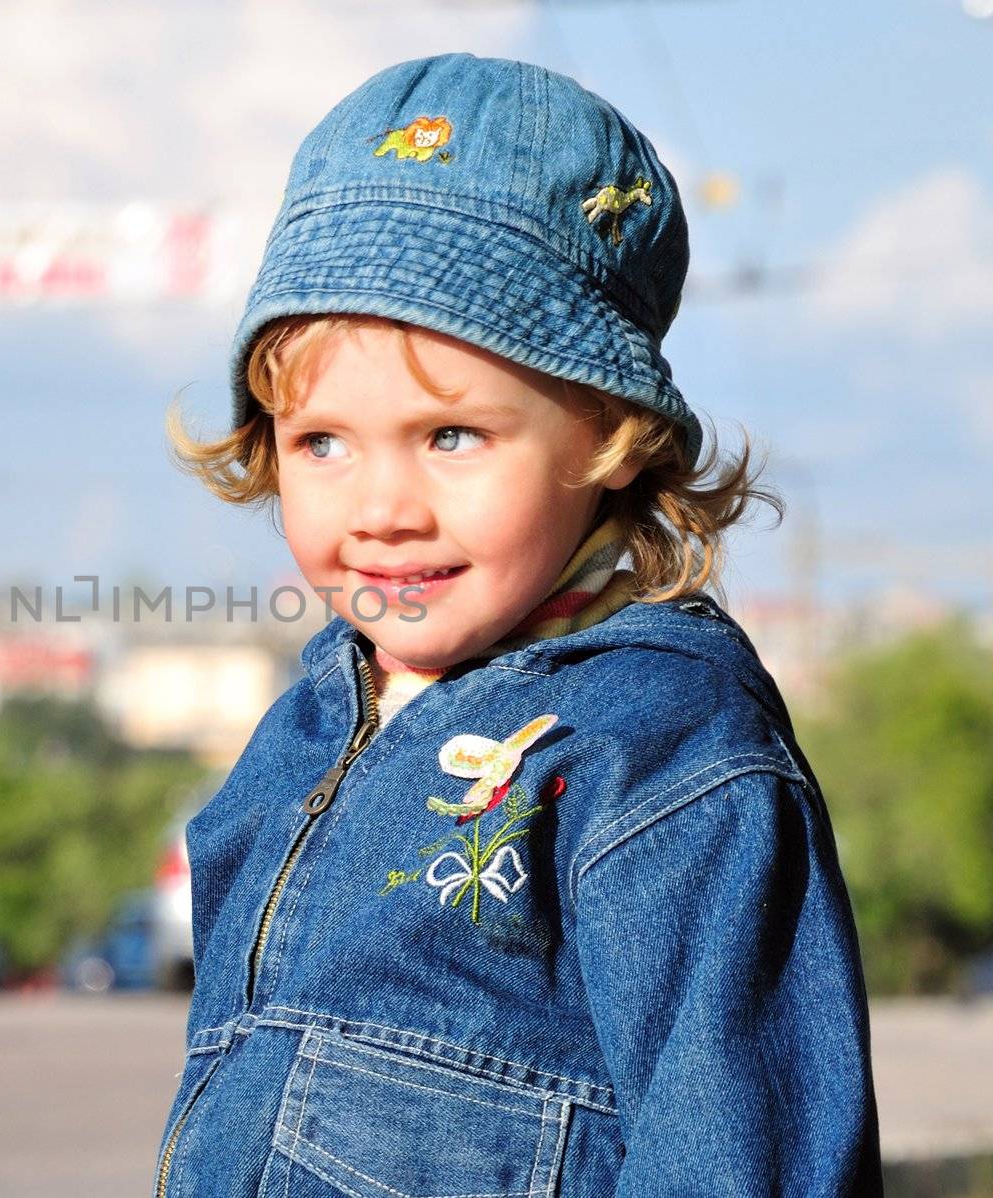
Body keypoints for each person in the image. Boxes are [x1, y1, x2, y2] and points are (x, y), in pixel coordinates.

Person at [155, 53, 882, 1196]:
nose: (383, 509)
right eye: (321, 442)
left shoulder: (657, 749)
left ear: (608, 436)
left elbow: (746, 1158)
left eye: (450, 436)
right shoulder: (305, 726)